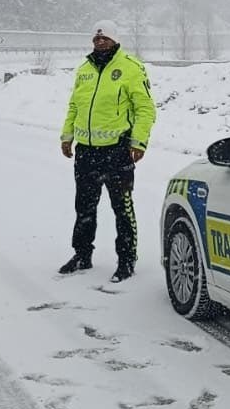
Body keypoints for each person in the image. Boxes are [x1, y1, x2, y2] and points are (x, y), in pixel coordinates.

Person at [58, 19, 156, 282]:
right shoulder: (84, 70)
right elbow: (74, 106)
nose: (100, 42)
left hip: (117, 152)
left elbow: (145, 109)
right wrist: (67, 137)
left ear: (115, 41)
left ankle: (126, 260)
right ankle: (82, 255)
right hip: (86, 153)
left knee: (122, 210)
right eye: (96, 39)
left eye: (105, 39)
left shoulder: (131, 68)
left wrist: (139, 141)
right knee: (84, 208)